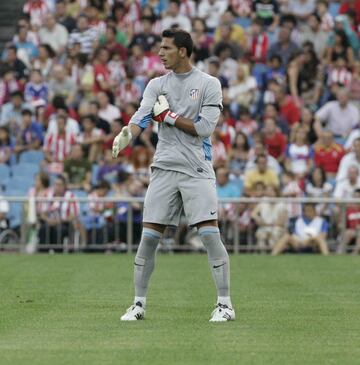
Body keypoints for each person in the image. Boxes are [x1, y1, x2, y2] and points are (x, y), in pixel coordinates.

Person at [112, 28, 234, 322]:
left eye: (166, 48)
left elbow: (204, 128)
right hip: (164, 167)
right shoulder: (156, 84)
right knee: (149, 237)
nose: (160, 53)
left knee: (208, 234)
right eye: (160, 48)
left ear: (183, 51)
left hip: (196, 169)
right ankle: (138, 303)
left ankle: (225, 304)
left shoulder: (209, 84)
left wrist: (168, 117)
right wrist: (127, 134)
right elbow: (142, 115)